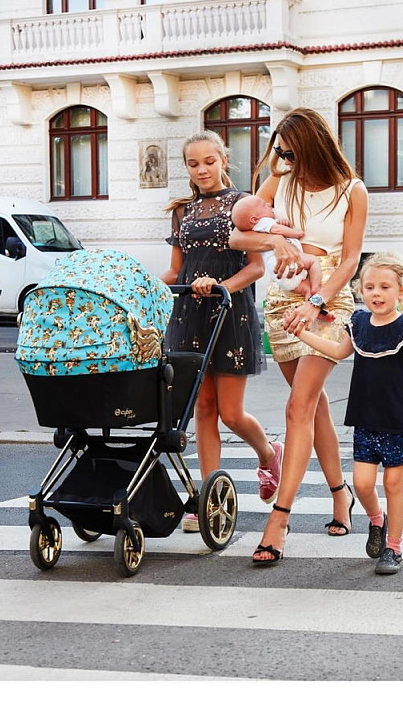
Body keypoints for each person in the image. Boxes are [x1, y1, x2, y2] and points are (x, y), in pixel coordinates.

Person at [228, 107, 368, 564]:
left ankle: (279, 519)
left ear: (311, 146)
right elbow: (236, 237)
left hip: (327, 300)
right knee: (313, 404)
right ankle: (340, 492)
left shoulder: (352, 190)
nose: (284, 159)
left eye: (290, 151)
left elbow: (351, 259)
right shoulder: (279, 182)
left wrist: (317, 301)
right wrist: (275, 241)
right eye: (280, 152)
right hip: (281, 302)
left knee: (298, 406)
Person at [286, 251, 403, 573]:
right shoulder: (358, 324)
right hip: (367, 420)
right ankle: (377, 520)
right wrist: (302, 333)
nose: (377, 293)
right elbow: (338, 351)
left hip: (401, 422)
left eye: (385, 287)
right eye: (370, 287)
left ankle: (393, 548)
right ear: (361, 291)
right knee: (361, 484)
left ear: (401, 291)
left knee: (393, 485)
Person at [161, 130, 283, 532]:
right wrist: (141, 286)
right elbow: (176, 270)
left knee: (231, 413)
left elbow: (256, 267)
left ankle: (269, 454)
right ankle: (207, 498)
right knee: (202, 409)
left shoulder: (243, 204)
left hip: (230, 314)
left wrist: (220, 287)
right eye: (193, 163)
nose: (202, 170)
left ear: (223, 160)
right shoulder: (182, 211)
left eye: (209, 161)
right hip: (188, 315)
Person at [231, 194, 323, 299]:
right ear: (254, 219)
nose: (268, 204)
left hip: (280, 275)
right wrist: (296, 233)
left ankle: (310, 296)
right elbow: (278, 230)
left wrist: (284, 224)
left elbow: (278, 229)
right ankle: (316, 287)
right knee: (313, 261)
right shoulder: (263, 222)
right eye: (264, 205)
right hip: (288, 263)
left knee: (305, 289)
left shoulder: (257, 229)